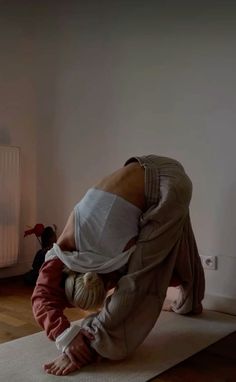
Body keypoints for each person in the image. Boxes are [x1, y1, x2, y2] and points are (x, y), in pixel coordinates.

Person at [31, 155, 205, 376]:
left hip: (166, 187)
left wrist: (74, 341)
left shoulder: (111, 253)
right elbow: (41, 297)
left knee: (140, 282)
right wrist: (63, 332)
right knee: (179, 242)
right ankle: (191, 301)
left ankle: (92, 345)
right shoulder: (64, 249)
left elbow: (133, 290)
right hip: (153, 164)